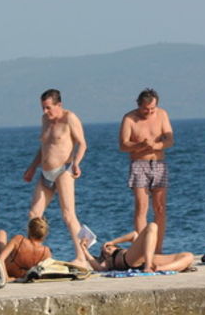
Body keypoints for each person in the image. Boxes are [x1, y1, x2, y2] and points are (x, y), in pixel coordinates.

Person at [23, 89, 88, 266]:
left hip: (64, 170)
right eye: (43, 108)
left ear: (59, 105)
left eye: (48, 108)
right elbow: (44, 147)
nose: (45, 112)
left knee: (68, 215)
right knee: (34, 214)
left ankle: (82, 257)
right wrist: (31, 168)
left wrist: (76, 163)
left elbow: (82, 143)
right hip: (45, 172)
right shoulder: (45, 120)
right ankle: (32, 254)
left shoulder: (69, 118)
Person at [119, 88, 174, 253]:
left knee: (160, 208)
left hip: (158, 163)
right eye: (146, 109)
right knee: (141, 207)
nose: (149, 112)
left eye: (152, 109)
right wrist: (140, 145)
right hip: (139, 164)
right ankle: (142, 249)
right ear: (138, 105)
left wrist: (156, 145)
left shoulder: (162, 114)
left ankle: (158, 249)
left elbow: (170, 140)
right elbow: (123, 145)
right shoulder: (129, 118)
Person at [79, 223, 193, 272]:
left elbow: (134, 235)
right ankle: (148, 266)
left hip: (148, 258)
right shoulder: (107, 260)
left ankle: (160, 269)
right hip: (128, 260)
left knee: (189, 256)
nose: (107, 247)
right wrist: (84, 249)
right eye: (106, 249)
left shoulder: (113, 246)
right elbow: (99, 268)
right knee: (152, 226)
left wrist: (113, 241)